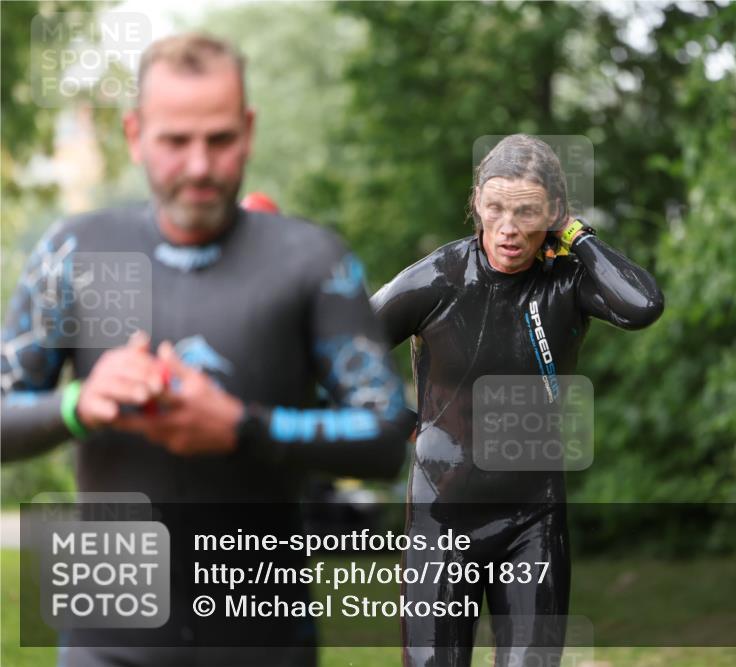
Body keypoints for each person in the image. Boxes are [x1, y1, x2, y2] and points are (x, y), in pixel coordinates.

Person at [1, 33, 413, 667]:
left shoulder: (307, 260)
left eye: (219, 140)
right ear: (135, 134)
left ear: (248, 131)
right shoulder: (79, 253)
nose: (198, 166)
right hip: (106, 641)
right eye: (174, 141)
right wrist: (80, 403)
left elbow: (387, 437)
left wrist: (241, 427)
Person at [370, 134, 664, 666]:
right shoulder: (439, 277)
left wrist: (578, 236)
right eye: (495, 208)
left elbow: (641, 305)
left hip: (533, 519)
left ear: (552, 213)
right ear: (477, 202)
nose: (508, 228)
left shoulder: (567, 282)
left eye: (527, 212)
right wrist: (404, 422)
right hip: (442, 516)